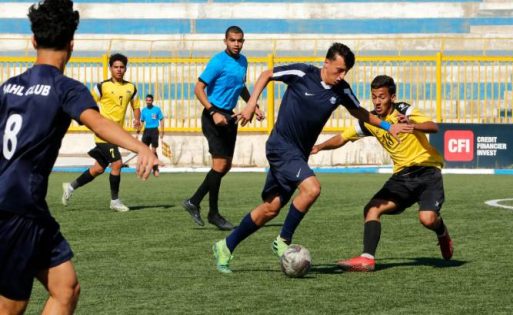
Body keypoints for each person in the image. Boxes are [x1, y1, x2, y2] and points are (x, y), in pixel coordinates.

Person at [0, 0, 157, 313]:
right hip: (18, 208)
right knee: (10, 308)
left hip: (28, 208)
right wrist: (140, 147)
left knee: (66, 289)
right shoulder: (66, 88)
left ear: (33, 41)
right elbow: (96, 121)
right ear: (72, 44)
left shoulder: (8, 87)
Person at [211, 43, 413, 273]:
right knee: (312, 188)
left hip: (298, 155)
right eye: (338, 69)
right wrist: (250, 103)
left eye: (345, 71)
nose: (342, 75)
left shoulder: (342, 91)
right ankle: (283, 241)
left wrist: (388, 126)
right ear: (326, 63)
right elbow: (267, 74)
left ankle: (225, 246)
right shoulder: (302, 73)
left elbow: (360, 113)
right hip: (280, 146)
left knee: (271, 208)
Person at [311, 75, 453, 271]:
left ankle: (442, 232)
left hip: (427, 171)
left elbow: (433, 126)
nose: (377, 102)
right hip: (402, 177)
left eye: (382, 97)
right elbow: (343, 137)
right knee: (371, 209)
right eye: (374, 97)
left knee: (427, 219)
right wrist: (319, 147)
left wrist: (412, 125)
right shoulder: (372, 121)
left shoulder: (404, 110)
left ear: (392, 97)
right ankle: (367, 259)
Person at [182, 26, 264, 230]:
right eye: (232, 40)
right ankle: (213, 213)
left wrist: (254, 105)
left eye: (240, 41)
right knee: (219, 165)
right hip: (213, 116)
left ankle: (194, 202)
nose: (236, 44)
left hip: (230, 117)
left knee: (225, 166)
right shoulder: (218, 61)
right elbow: (198, 88)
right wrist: (213, 112)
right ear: (225, 41)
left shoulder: (243, 61)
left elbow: (241, 87)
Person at [62, 53, 141, 212]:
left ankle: (70, 186)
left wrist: (137, 119)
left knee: (98, 169)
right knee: (117, 164)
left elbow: (136, 106)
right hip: (103, 133)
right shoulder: (101, 86)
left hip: (117, 133)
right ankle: (115, 201)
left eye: (121, 67)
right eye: (116, 67)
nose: (119, 70)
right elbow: (88, 103)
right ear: (110, 68)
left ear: (125, 69)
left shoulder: (131, 88)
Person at [140, 94, 164, 175]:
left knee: (153, 151)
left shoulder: (157, 109)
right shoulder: (143, 110)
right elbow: (142, 122)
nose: (148, 102)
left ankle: (155, 168)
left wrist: (162, 131)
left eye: (150, 100)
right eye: (147, 100)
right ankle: (144, 168)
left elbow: (161, 119)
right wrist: (138, 131)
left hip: (154, 130)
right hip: (146, 130)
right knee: (144, 150)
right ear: (145, 101)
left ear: (152, 101)